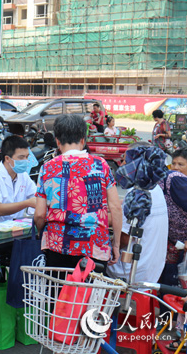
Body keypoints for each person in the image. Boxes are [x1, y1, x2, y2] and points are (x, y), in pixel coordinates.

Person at [34, 114, 123, 270]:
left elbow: (40, 215)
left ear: (57, 141)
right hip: (94, 245)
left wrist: (41, 232)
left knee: (58, 293)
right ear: (83, 140)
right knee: (89, 293)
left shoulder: (47, 168)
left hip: (58, 245)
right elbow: (115, 207)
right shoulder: (100, 165)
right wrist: (115, 244)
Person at [107, 142, 168, 284]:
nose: (122, 165)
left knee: (94, 257)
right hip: (153, 268)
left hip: (133, 271)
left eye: (125, 160)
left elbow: (125, 239)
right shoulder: (154, 189)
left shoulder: (137, 193)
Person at [0, 135, 37, 225]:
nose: (25, 161)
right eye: (21, 157)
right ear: (7, 159)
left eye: (27, 157)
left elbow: (36, 196)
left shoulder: (24, 176)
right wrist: (27, 203)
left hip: (16, 228)